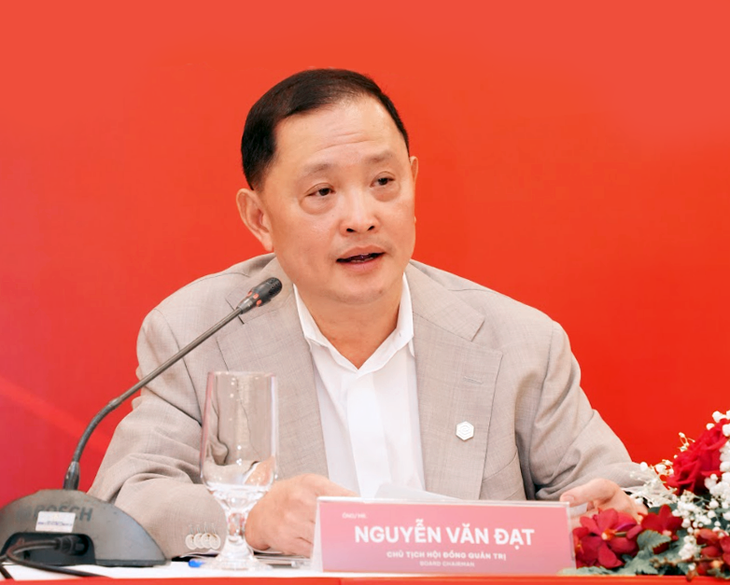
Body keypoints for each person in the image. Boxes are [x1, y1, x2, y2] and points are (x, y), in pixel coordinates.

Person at [89, 68, 645, 559]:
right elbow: (125, 497)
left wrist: (620, 511)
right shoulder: (197, 333)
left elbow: (626, 496)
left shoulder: (519, 343)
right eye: (322, 191)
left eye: (383, 182)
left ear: (413, 183)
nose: (361, 217)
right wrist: (251, 517)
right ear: (259, 218)